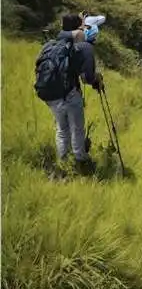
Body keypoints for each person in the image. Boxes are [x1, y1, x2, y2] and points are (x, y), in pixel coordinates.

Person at [35, 13, 103, 177]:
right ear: (79, 28)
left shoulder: (51, 44)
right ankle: (80, 161)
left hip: (50, 95)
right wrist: (97, 79)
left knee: (62, 128)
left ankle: (63, 160)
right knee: (77, 128)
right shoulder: (84, 47)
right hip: (69, 94)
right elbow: (87, 78)